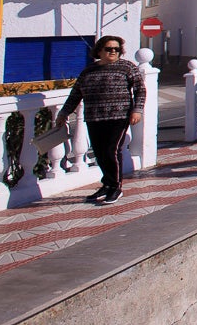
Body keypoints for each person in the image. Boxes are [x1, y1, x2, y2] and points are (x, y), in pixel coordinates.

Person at [56, 35, 145, 204]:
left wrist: (137, 110)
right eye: (109, 49)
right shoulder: (89, 71)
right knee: (100, 153)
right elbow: (75, 94)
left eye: (116, 49)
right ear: (99, 50)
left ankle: (116, 187)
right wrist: (63, 113)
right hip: (94, 116)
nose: (113, 52)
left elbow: (140, 90)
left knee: (111, 150)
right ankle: (107, 184)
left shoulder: (127, 67)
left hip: (119, 116)